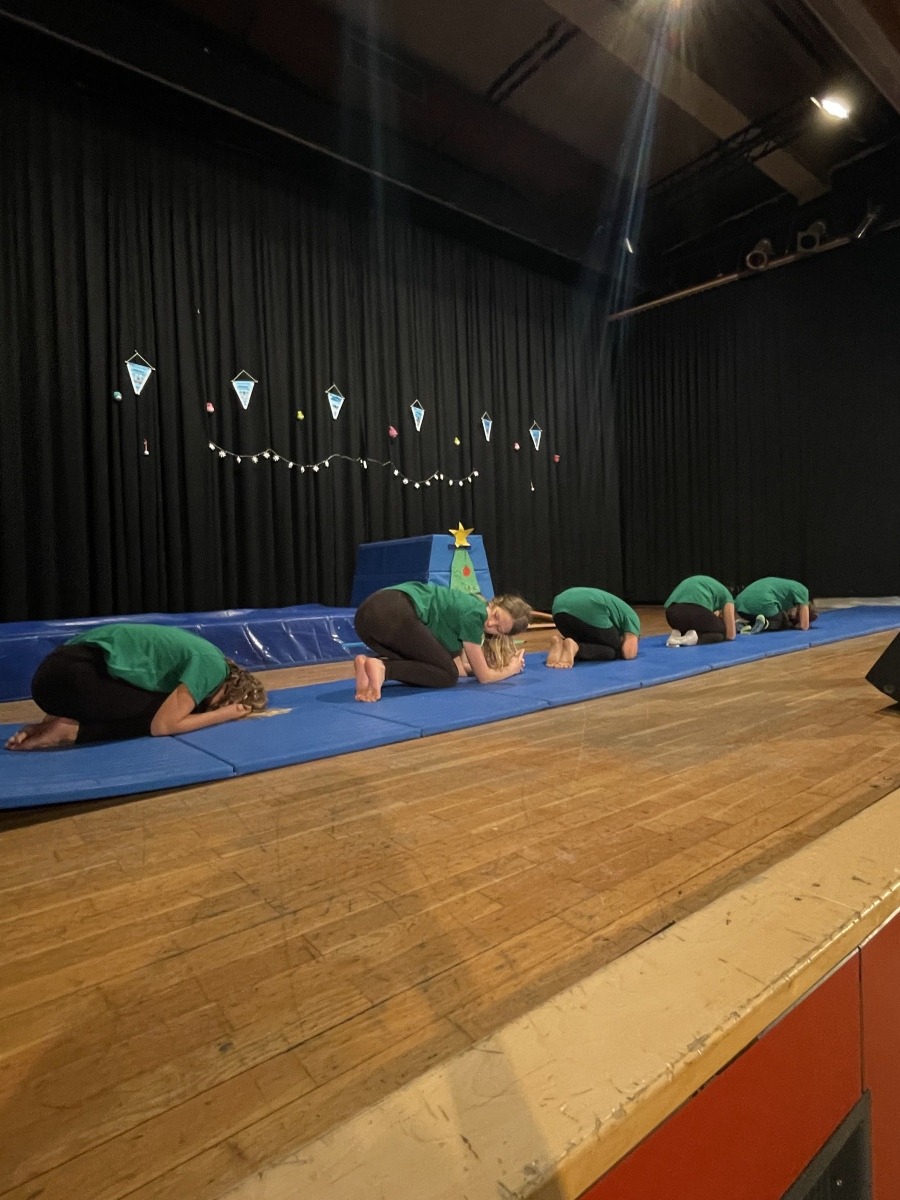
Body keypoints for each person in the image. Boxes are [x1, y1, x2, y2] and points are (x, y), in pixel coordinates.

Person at [4, 623, 267, 750]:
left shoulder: (202, 651)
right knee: (162, 713)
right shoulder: (213, 666)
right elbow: (162, 726)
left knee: (164, 703)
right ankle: (70, 732)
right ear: (231, 692)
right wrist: (224, 714)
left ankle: (57, 720)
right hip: (73, 676)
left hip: (52, 675)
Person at [353, 583, 532, 701]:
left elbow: (457, 667)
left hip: (366, 619)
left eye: (498, 629)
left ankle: (367, 668)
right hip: (392, 611)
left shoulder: (463, 612)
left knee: (442, 670)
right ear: (494, 603)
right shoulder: (476, 613)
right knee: (448, 676)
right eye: (496, 616)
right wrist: (511, 669)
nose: (490, 624)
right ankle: (384, 668)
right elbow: (484, 677)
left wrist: (486, 667)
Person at [547, 587, 640, 667]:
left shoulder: (618, 609)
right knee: (615, 650)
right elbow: (629, 653)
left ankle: (560, 643)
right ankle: (577, 648)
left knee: (597, 645)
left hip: (558, 609)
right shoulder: (632, 617)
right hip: (588, 608)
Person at [664, 575, 736, 647]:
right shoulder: (726, 594)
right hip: (691, 612)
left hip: (671, 615)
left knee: (708, 628)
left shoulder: (710, 585)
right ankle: (691, 639)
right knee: (722, 632)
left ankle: (678, 633)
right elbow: (730, 635)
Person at [733, 577, 817, 633]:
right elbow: (804, 626)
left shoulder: (787, 589)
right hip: (762, 600)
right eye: (798, 615)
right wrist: (800, 624)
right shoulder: (803, 591)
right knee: (782, 620)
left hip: (740, 606)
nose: (793, 616)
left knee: (765, 617)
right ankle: (765, 624)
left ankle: (745, 626)